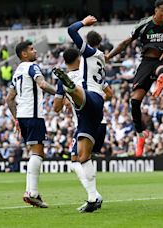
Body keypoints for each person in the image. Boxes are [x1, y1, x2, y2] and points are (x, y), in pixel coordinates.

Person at [53, 15, 110, 213]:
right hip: (98, 108)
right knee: (82, 157)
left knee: (79, 96)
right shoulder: (102, 58)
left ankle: (70, 88)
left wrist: (83, 23)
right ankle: (93, 198)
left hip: (87, 99)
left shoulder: (89, 54)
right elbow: (109, 93)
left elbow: (71, 30)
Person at [105, 0, 163, 157]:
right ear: (156, 10)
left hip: (161, 60)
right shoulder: (143, 25)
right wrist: (109, 56)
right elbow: (125, 43)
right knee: (135, 101)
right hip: (146, 62)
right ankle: (140, 135)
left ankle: (161, 80)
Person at [5, 41, 56, 208]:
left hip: (23, 116)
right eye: (32, 49)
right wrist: (61, 93)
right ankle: (31, 193)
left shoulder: (17, 72)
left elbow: (9, 99)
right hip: (34, 115)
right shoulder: (32, 67)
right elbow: (42, 84)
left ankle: (32, 192)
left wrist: (16, 119)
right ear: (24, 54)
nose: (35, 51)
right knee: (38, 153)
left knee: (37, 152)